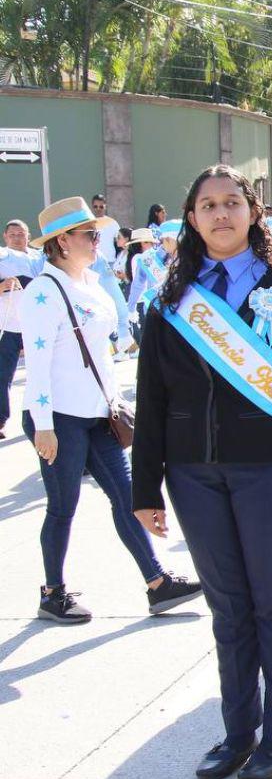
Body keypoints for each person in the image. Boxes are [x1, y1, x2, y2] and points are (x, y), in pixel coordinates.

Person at [132, 164, 272, 779]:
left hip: (271, 471)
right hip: (193, 475)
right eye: (207, 205)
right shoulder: (170, 299)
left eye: (231, 203)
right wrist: (145, 489)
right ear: (190, 219)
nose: (220, 214)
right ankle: (237, 733)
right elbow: (153, 400)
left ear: (253, 212)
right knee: (228, 608)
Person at [17, 198, 197, 623]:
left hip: (97, 413)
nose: (99, 242)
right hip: (58, 416)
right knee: (64, 505)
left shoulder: (91, 285)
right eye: (90, 235)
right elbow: (37, 367)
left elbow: (101, 353)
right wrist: (43, 427)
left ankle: (158, 582)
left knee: (127, 497)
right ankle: (52, 593)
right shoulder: (44, 291)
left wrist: (115, 401)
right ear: (62, 241)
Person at [1, 220, 45, 439]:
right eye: (13, 235)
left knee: (41, 373)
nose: (17, 238)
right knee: (3, 375)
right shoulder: (2, 258)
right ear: (5, 237)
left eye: (21, 234)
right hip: (8, 326)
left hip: (36, 327)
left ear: (29, 236)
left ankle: (42, 418)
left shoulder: (39, 258)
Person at [90, 194, 120, 266]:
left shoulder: (112, 223)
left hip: (109, 261)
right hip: (92, 261)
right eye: (95, 206)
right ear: (92, 207)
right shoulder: (87, 223)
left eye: (101, 207)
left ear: (105, 207)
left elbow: (119, 243)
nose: (98, 209)